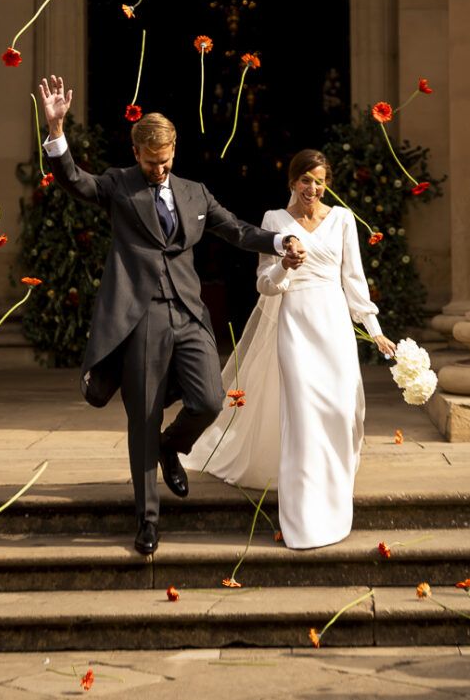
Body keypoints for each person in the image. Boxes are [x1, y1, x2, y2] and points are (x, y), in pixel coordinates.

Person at [38, 75, 305, 556]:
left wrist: (280, 240)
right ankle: (147, 519)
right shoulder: (119, 185)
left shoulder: (195, 192)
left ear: (174, 151)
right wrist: (57, 131)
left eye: (165, 161)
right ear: (136, 152)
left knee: (210, 400)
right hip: (141, 317)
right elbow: (75, 181)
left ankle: (170, 447)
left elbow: (237, 230)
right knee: (144, 417)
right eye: (150, 162)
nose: (158, 170)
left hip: (188, 314)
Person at [184, 149, 395, 549]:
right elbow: (264, 283)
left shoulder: (343, 219)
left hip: (334, 324)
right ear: (293, 182)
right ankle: (305, 514)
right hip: (294, 323)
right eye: (305, 180)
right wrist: (284, 265)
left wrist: (375, 329)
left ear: (327, 183)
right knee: (302, 415)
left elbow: (354, 281)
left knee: (342, 410)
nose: (312, 188)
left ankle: (335, 487)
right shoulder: (274, 221)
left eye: (319, 181)